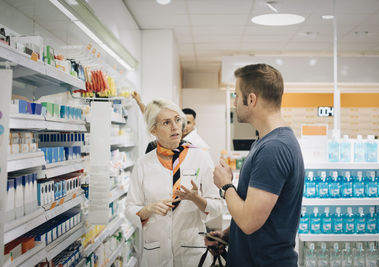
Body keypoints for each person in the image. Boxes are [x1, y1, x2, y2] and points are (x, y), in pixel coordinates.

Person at [207, 64, 305, 266]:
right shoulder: (265, 142)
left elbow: (250, 222)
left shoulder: (274, 148)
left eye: (236, 95)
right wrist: (227, 235)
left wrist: (225, 186)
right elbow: (259, 212)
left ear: (251, 99)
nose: (234, 103)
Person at [125, 99, 224, 267]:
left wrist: (197, 199)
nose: (175, 127)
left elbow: (218, 206)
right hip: (156, 254)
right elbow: (129, 209)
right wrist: (147, 210)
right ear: (153, 129)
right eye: (166, 122)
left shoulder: (200, 157)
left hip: (191, 252)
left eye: (177, 120)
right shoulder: (143, 163)